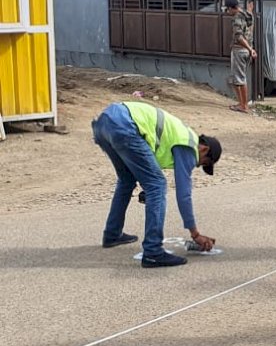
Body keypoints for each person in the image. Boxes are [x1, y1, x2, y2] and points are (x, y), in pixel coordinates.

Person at [92, 102, 221, 267]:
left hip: (105, 123)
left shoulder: (177, 135)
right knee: (157, 185)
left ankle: (112, 234)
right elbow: (184, 194)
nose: (196, 166)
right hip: (125, 124)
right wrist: (195, 234)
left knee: (127, 180)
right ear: (204, 149)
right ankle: (153, 251)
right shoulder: (189, 145)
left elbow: (145, 160)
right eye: (203, 163)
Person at [225, 0, 257, 113]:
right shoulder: (248, 15)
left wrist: (250, 49)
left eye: (227, 9)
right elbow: (250, 23)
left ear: (230, 8)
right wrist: (250, 49)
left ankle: (244, 106)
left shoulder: (237, 18)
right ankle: (242, 104)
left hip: (240, 50)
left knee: (239, 79)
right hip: (247, 51)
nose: (227, 12)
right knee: (239, 78)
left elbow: (238, 37)